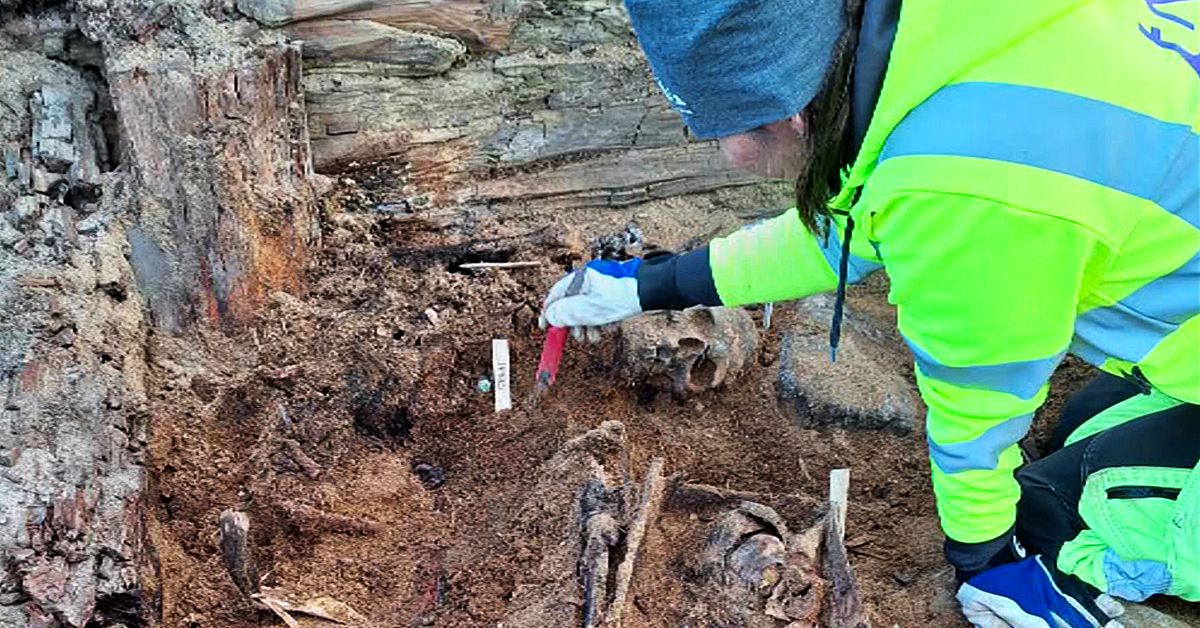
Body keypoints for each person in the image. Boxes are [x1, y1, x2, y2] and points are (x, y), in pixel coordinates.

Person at [538, 0, 1200, 625]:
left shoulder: (970, 186)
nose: (723, 153)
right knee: (1085, 421)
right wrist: (649, 285)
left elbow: (978, 402)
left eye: (716, 127)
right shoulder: (941, 43)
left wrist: (987, 561)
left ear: (789, 114)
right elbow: (858, 223)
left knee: (1057, 511)